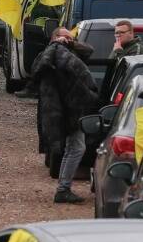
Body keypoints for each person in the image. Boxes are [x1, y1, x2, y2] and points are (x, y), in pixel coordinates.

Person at [30, 27, 97, 203]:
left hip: (68, 108)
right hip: (66, 110)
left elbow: (89, 51)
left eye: (72, 37)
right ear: (57, 38)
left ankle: (63, 187)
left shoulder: (66, 51)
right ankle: (63, 188)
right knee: (76, 148)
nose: (70, 40)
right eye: (67, 37)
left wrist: (71, 42)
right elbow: (80, 73)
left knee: (72, 148)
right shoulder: (55, 53)